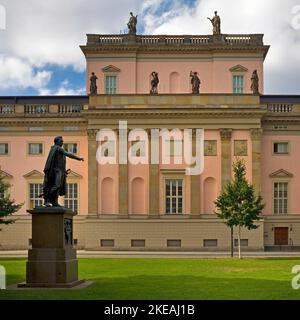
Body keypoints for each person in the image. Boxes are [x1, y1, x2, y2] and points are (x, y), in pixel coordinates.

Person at [42, 136, 84, 207]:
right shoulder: (57, 148)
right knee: (57, 185)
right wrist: (78, 158)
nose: (62, 142)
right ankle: (47, 199)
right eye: (61, 141)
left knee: (59, 186)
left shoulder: (56, 149)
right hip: (56, 170)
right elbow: (69, 154)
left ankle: (55, 201)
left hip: (60, 171)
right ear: (57, 142)